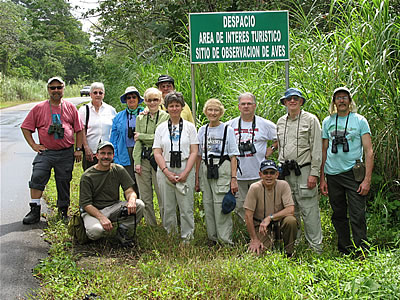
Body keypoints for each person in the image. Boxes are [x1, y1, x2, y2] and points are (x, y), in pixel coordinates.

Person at [21, 77, 83, 224]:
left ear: (63, 89)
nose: (56, 90)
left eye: (59, 87)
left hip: (66, 152)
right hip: (46, 152)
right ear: (48, 90)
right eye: (52, 88)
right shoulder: (39, 108)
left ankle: (63, 211)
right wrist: (34, 145)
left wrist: (78, 149)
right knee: (37, 177)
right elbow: (25, 127)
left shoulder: (70, 107)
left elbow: (79, 130)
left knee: (63, 181)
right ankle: (34, 210)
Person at [320, 87, 373, 255]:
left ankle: (362, 250)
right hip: (332, 173)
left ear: (350, 101)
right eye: (338, 98)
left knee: (357, 213)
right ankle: (344, 248)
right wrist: (322, 178)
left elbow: (369, 151)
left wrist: (367, 179)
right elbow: (323, 150)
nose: (341, 101)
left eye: (344, 97)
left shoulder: (360, 121)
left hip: (354, 173)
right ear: (334, 102)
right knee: (338, 213)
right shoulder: (328, 121)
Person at [276, 88, 323, 253]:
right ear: (285, 103)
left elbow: (317, 149)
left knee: (309, 211)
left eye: (296, 98)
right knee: (291, 210)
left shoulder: (311, 120)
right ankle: (294, 245)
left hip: (304, 171)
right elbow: (281, 147)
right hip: (286, 173)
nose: (292, 101)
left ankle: (316, 248)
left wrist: (314, 173)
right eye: (289, 99)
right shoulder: (281, 122)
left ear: (301, 101)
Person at [79, 141, 145, 246]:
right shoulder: (87, 176)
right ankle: (85, 227)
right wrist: (101, 217)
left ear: (113, 155)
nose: (106, 156)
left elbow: (129, 190)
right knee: (96, 232)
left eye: (109, 153)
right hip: (93, 211)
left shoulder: (118, 169)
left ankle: (123, 231)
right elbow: (86, 204)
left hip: (113, 206)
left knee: (139, 204)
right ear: (97, 155)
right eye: (103, 153)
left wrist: (131, 200)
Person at [153, 91, 199, 242]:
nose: (174, 109)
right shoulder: (160, 128)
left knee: (186, 206)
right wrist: (166, 172)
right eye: (171, 106)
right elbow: (157, 152)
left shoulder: (190, 127)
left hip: (185, 166)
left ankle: (188, 237)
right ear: (166, 108)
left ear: (182, 107)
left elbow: (194, 151)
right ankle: (171, 235)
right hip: (165, 167)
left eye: (177, 105)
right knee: (168, 206)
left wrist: (186, 172)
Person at [226, 92, 278, 221]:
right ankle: (245, 234)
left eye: (249, 104)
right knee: (240, 207)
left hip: (259, 174)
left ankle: (262, 232)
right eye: (243, 104)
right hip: (238, 175)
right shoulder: (229, 125)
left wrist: (271, 148)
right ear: (238, 107)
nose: (246, 106)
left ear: (255, 106)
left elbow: (281, 138)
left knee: (261, 205)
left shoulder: (265, 124)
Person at [195, 99, 239, 245]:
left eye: (216, 110)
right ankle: (212, 239)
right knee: (208, 204)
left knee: (221, 205)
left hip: (223, 168)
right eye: (210, 110)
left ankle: (225, 241)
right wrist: (197, 178)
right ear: (205, 112)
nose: (213, 113)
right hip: (206, 168)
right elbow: (198, 156)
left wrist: (233, 178)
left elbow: (234, 156)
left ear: (221, 112)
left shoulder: (228, 130)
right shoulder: (202, 130)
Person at [244, 160, 297, 257]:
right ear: (260, 174)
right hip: (261, 227)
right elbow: (248, 215)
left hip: (279, 223)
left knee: (291, 221)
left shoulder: (283, 185)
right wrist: (254, 239)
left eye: (272, 173)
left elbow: (290, 209)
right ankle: (262, 241)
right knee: (258, 255)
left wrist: (270, 218)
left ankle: (289, 253)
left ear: (277, 174)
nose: (269, 176)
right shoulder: (254, 188)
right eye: (265, 173)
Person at [133, 88, 169, 226]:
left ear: (160, 100)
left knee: (162, 193)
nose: (152, 103)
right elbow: (138, 143)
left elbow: (159, 139)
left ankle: (166, 224)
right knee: (145, 194)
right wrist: (137, 162)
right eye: (149, 100)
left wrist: (141, 136)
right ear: (145, 101)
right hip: (143, 158)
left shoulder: (165, 117)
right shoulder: (140, 117)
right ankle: (150, 224)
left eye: (155, 99)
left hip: (159, 159)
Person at [110, 86, 144, 196]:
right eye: (128, 97)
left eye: (134, 97)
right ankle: (131, 207)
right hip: (124, 152)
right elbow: (113, 138)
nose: (131, 99)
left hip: (142, 152)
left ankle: (143, 209)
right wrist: (114, 156)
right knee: (128, 182)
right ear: (125, 100)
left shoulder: (145, 113)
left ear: (138, 99)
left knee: (143, 182)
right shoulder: (118, 117)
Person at [78, 82, 116, 170]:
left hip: (107, 152)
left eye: (100, 92)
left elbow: (115, 129)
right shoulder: (84, 110)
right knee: (91, 176)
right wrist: (86, 147)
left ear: (104, 94)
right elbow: (81, 130)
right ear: (90, 94)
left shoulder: (111, 110)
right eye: (95, 92)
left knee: (108, 178)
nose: (98, 95)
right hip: (91, 151)